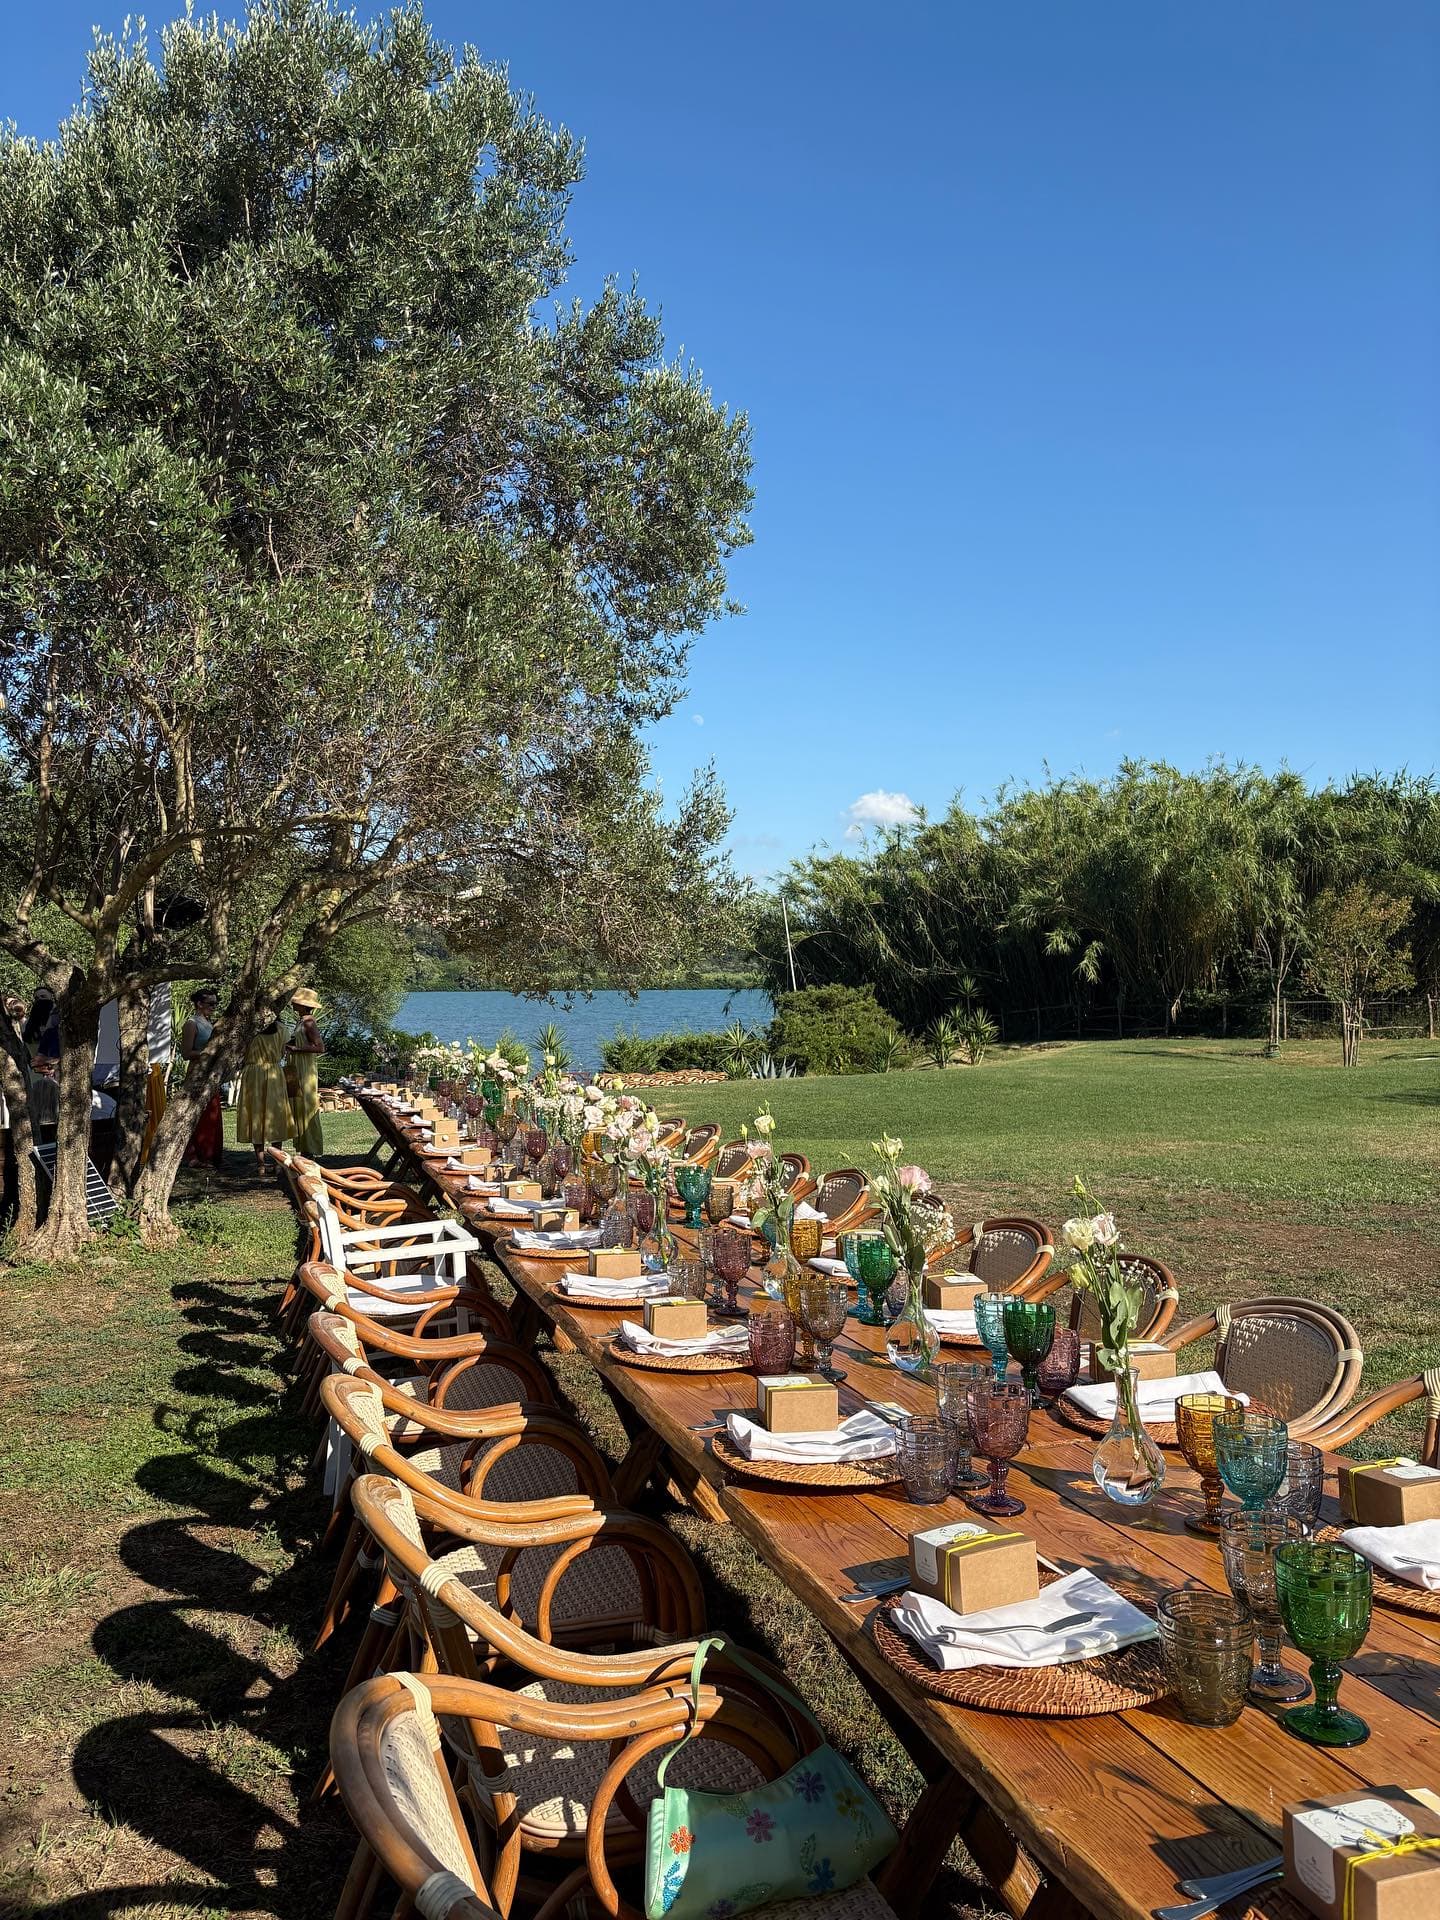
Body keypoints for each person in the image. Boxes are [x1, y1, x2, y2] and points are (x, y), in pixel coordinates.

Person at [235, 1005, 291, 1171]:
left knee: (255, 1114)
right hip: (273, 1072)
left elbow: (239, 1051)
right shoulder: (282, 1029)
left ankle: (260, 1164)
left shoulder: (248, 1029)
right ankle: (277, 1162)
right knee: (277, 1115)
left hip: (252, 1073)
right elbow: (283, 1053)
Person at [179, 988, 225, 1169]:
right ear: (199, 1004)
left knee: (211, 1113)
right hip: (197, 1073)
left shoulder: (209, 1023)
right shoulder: (191, 1023)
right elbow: (185, 1053)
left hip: (211, 1073)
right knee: (197, 1114)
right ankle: (194, 1156)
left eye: (215, 1004)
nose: (213, 1007)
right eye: (210, 1004)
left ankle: (211, 1154)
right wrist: (207, 1054)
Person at [286, 988, 327, 1157]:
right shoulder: (301, 1021)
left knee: (307, 1106)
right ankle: (304, 1148)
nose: (293, 1003)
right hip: (298, 1066)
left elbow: (319, 1047)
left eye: (296, 1001)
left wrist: (296, 1048)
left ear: (302, 1005)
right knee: (299, 1105)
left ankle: (311, 1148)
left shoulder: (309, 1022)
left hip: (305, 1067)